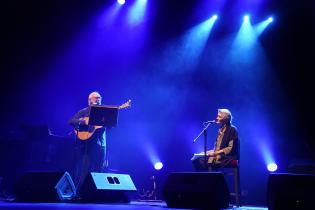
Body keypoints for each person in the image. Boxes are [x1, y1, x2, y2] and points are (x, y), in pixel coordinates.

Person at [68, 91, 107, 191]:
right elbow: (71, 121)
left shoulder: (104, 112)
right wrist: (84, 121)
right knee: (86, 169)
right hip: (87, 145)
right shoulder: (84, 111)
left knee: (99, 169)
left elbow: (110, 127)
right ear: (90, 100)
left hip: (101, 144)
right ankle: (81, 192)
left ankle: (98, 193)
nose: (99, 99)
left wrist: (110, 120)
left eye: (100, 98)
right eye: (96, 98)